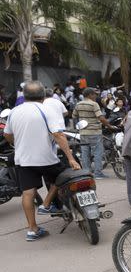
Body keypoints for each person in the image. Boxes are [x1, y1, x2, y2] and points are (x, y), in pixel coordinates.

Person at [2, 81, 81, 241]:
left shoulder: (15, 111)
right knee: (63, 177)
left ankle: (32, 229)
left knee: (28, 193)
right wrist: (71, 158)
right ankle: (45, 204)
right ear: (43, 95)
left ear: (24, 95)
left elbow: (7, 135)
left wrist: (16, 143)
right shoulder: (46, 110)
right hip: (46, 158)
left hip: (23, 160)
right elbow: (58, 135)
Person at [74, 87, 116, 179]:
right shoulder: (94, 104)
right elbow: (101, 118)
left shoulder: (78, 104)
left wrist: (80, 125)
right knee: (98, 153)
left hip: (83, 133)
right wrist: (109, 126)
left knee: (85, 153)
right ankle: (98, 173)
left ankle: (86, 173)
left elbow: (74, 116)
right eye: (94, 94)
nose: (95, 96)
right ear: (90, 95)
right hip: (94, 132)